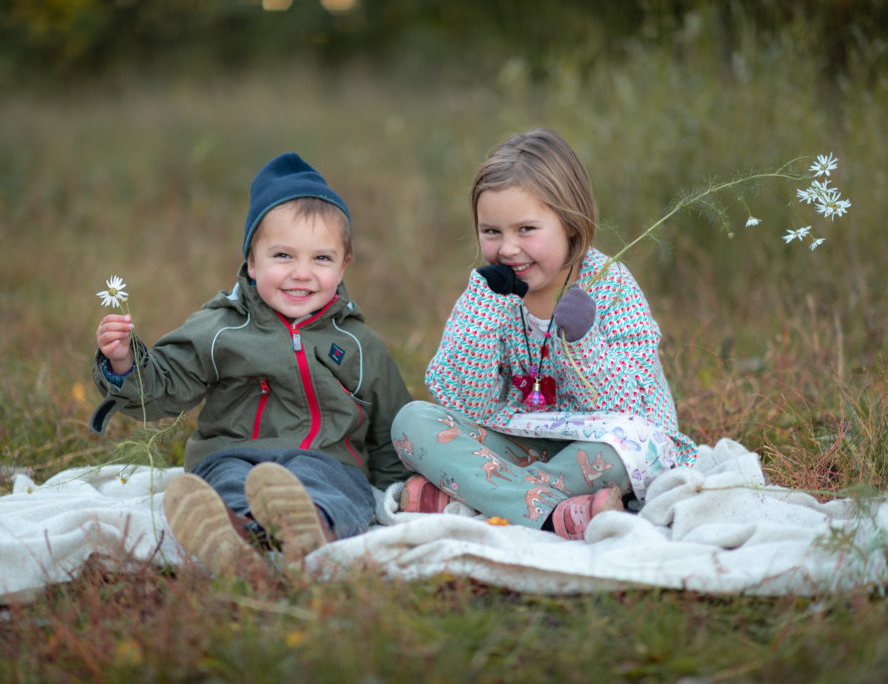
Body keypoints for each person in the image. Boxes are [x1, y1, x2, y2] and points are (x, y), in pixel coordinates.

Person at [90, 152, 412, 572]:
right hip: (232, 452)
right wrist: (123, 363)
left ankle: (310, 526)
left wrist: (396, 491)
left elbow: (389, 428)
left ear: (343, 265)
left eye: (321, 258)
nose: (302, 273)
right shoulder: (221, 328)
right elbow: (168, 383)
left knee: (332, 488)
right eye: (283, 256)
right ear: (252, 262)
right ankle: (231, 535)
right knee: (224, 482)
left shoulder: (358, 344)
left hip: (326, 459)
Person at [391, 128, 697, 540]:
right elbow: (469, 403)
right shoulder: (486, 292)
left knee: (636, 452)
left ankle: (469, 497)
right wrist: (483, 314)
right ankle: (557, 512)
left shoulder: (611, 287)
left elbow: (630, 411)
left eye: (526, 229)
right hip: (516, 440)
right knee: (412, 422)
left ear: (570, 225)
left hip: (595, 445)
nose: (508, 249)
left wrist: (584, 343)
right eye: (492, 232)